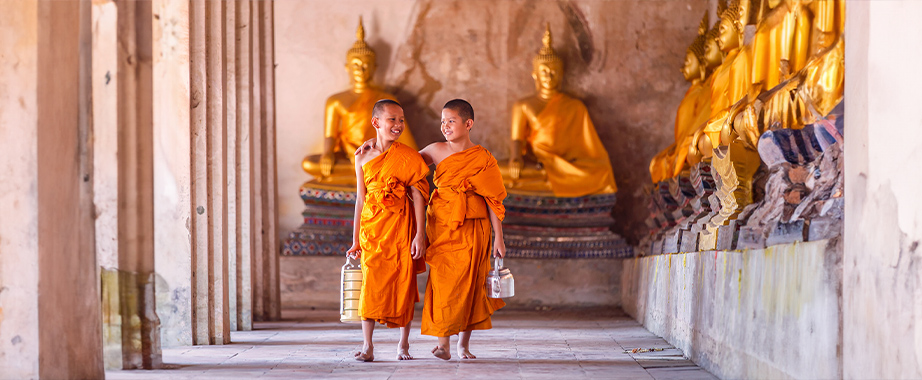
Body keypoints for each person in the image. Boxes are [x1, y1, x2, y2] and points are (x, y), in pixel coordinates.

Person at [419, 99, 507, 360]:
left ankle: (463, 345)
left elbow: (493, 200)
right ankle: (443, 343)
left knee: (471, 283)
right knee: (443, 281)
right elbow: (403, 166)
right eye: (443, 121)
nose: (445, 126)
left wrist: (498, 239)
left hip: (474, 227)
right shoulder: (435, 150)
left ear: (468, 124)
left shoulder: (483, 159)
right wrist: (374, 149)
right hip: (443, 225)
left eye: (451, 121)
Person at [347, 99, 429, 362]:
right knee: (370, 285)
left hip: (402, 228)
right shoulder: (361, 155)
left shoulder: (408, 156)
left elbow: (419, 197)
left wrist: (419, 234)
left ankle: (403, 345)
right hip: (372, 230)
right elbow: (360, 198)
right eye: (392, 119)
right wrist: (355, 239)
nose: (398, 125)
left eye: (401, 120)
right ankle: (368, 345)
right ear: (376, 123)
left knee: (404, 284)